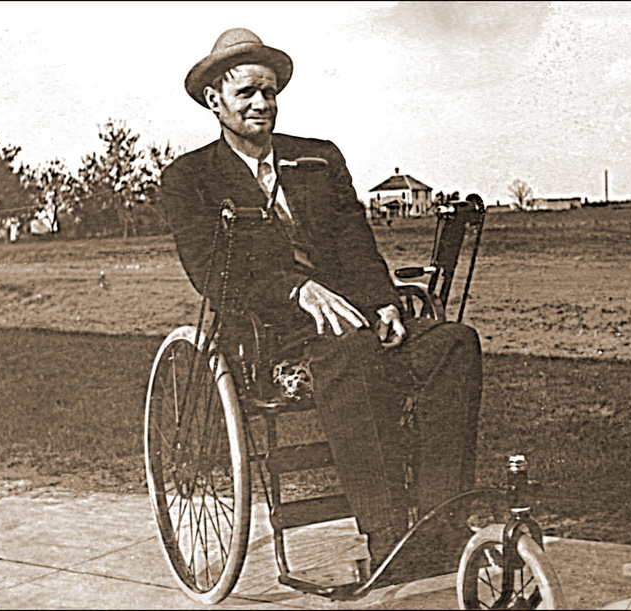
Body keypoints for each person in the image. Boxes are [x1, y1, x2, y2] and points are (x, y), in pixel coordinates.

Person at [160, 28, 482, 577]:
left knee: (454, 343)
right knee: (350, 354)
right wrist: (294, 289)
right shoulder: (190, 178)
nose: (262, 104)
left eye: (270, 92)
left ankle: (441, 521)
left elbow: (356, 240)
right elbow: (211, 274)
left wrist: (382, 302)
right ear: (215, 100)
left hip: (353, 316)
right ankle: (387, 536)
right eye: (247, 94)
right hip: (269, 333)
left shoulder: (319, 160)